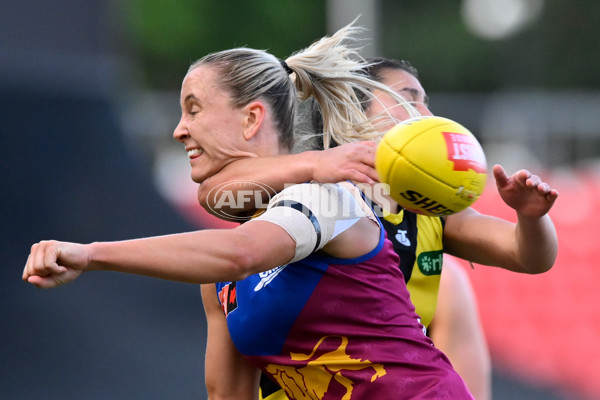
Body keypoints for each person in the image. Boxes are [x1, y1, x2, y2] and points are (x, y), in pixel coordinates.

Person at [22, 23, 476, 399]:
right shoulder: (220, 273)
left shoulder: (326, 197)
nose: (179, 129)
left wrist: (91, 254)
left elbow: (242, 251)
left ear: (252, 118)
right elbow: (226, 394)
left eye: (194, 109)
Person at [196, 58, 559, 400]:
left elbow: (526, 255)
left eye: (427, 102)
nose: (428, 115)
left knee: (453, 284)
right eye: (409, 99)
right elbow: (214, 192)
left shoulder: (431, 211)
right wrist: (313, 163)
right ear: (352, 114)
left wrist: (530, 217)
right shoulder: (311, 199)